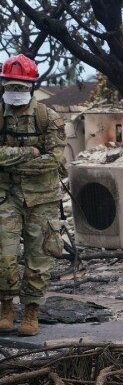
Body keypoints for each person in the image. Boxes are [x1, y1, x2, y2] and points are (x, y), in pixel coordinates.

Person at [0, 54, 66, 337]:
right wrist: (30, 152)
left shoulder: (48, 118)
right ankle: (5, 306)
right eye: (10, 85)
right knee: (4, 256)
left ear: (31, 86)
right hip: (7, 197)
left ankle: (31, 310)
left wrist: (9, 159)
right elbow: (42, 156)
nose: (15, 91)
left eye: (20, 86)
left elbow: (57, 161)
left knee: (39, 260)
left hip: (43, 199)